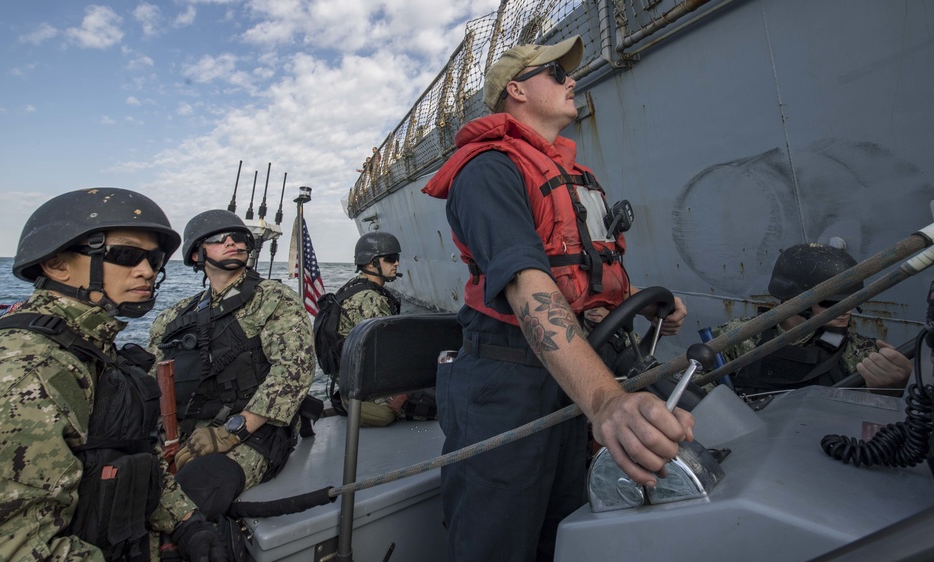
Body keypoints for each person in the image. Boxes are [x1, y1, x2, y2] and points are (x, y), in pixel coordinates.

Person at [422, 36, 693, 562]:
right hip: (510, 387)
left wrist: (639, 299)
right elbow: (529, 286)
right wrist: (607, 402)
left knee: (569, 524)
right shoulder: (489, 170)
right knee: (499, 539)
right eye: (557, 72)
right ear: (516, 90)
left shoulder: (570, 175)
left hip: (578, 367)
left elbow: (577, 272)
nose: (574, 80)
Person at [0, 188, 225, 561]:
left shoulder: (89, 347)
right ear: (57, 264)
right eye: (125, 255)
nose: (147, 270)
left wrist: (186, 521)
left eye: (154, 259)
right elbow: (6, 546)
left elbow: (130, 451)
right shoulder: (25, 369)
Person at [148, 209, 315, 521]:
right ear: (197, 254)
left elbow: (294, 370)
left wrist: (229, 433)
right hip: (185, 434)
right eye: (218, 238)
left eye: (238, 238)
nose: (232, 243)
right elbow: (153, 379)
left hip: (256, 434)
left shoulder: (273, 298)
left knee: (195, 494)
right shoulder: (173, 318)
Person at [716, 243, 912, 396]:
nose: (846, 310)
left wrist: (895, 389)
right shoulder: (739, 337)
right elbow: (700, 391)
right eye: (830, 303)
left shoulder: (864, 355)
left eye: (851, 302)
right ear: (795, 300)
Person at [333, 231, 408, 427]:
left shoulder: (357, 288)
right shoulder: (368, 299)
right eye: (390, 259)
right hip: (362, 388)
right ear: (370, 263)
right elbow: (384, 352)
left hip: (360, 379)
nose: (396, 263)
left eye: (396, 258)